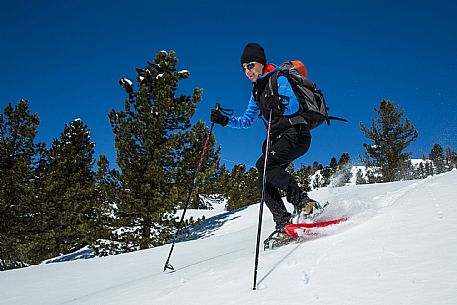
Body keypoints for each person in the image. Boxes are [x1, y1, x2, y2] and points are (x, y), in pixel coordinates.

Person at [210, 43, 319, 244]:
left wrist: (279, 104)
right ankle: (283, 223)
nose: (247, 71)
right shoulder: (256, 92)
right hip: (282, 139)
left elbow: (293, 104)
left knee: (264, 164)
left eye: (250, 65)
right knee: (263, 180)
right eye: (243, 68)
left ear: (261, 63)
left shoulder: (279, 78)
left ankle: (304, 202)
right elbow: (246, 120)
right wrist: (225, 121)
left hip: (297, 133)